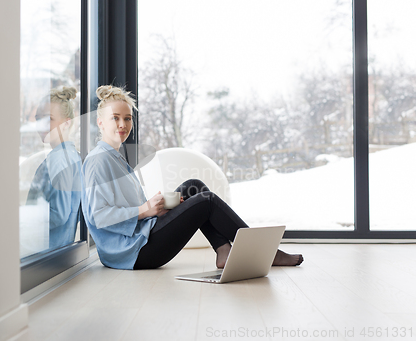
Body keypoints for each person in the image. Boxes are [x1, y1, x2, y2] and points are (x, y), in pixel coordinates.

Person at [81, 85, 303, 270]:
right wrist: (145, 210)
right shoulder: (98, 161)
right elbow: (98, 217)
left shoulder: (114, 157)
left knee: (193, 187)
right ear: (101, 122)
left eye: (128, 118)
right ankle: (265, 252)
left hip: (138, 238)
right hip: (133, 252)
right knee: (205, 200)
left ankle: (223, 250)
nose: (123, 124)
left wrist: (157, 208)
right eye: (115, 118)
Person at [26, 86, 83, 250]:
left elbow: (59, 214)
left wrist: (22, 221)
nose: (41, 125)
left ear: (67, 123)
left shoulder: (59, 159)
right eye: (38, 119)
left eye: (49, 118)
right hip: (58, 250)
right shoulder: (72, 156)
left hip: (45, 252)